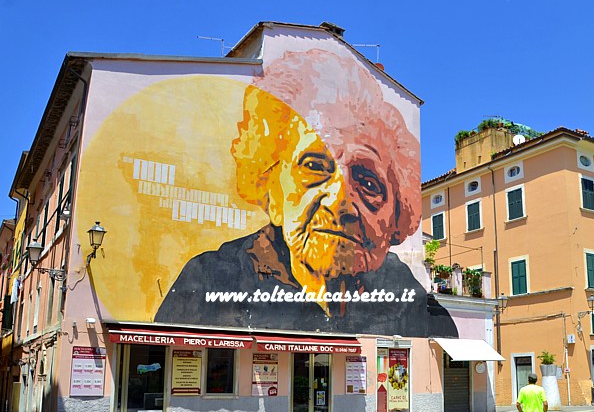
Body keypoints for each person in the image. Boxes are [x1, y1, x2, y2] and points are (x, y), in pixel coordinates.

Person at [155, 48, 456, 338]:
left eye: (368, 183)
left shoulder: (403, 292)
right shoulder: (210, 279)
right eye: (314, 166)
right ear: (269, 183)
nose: (341, 202)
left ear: (394, 222)